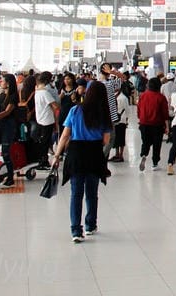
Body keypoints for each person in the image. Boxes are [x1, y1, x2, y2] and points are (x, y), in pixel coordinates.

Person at [51, 81, 113, 242]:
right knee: (92, 192)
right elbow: (106, 140)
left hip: (76, 153)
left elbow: (65, 135)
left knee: (76, 193)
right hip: (94, 154)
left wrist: (57, 156)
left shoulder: (75, 110)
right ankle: (90, 225)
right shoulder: (104, 115)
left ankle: (76, 231)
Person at [136, 77, 167, 171]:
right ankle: (155, 163)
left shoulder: (143, 96)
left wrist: (140, 118)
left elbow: (138, 109)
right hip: (157, 124)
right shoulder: (161, 97)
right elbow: (164, 113)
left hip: (144, 123)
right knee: (157, 144)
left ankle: (144, 155)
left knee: (146, 142)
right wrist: (166, 126)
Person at [32, 73, 60, 166]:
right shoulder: (45, 93)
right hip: (47, 120)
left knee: (43, 141)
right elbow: (55, 106)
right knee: (46, 141)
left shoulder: (37, 92)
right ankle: (44, 161)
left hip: (40, 119)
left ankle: (42, 159)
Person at [111, 86, 129, 163]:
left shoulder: (123, 98)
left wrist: (126, 120)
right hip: (115, 120)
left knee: (121, 138)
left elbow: (127, 110)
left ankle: (121, 155)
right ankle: (116, 154)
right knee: (116, 138)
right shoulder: (114, 96)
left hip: (121, 120)